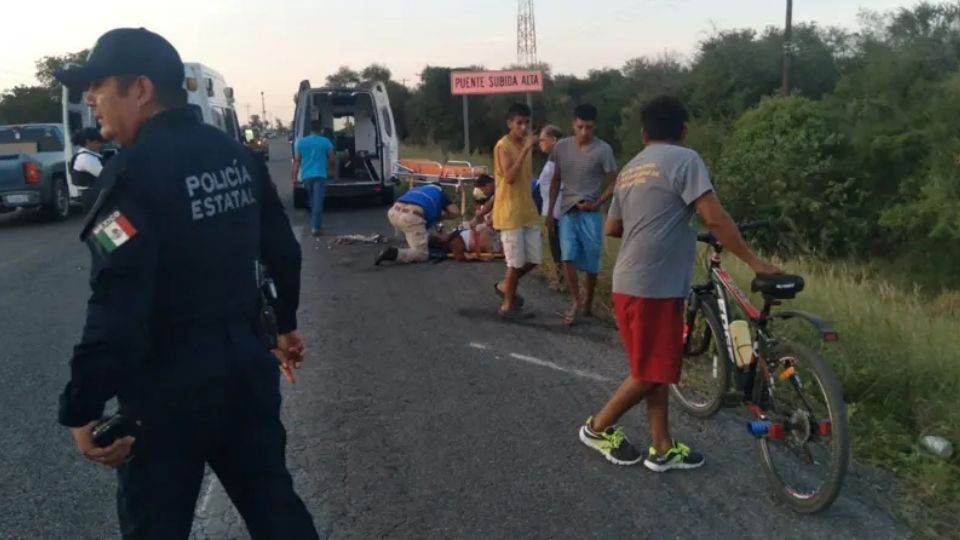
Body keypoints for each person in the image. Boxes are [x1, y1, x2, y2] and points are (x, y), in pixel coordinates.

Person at [54, 28, 319, 539]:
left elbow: (116, 302)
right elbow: (283, 251)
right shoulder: (237, 156)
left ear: (142, 89)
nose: (90, 99)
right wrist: (284, 329)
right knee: (273, 505)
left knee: (156, 524)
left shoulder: (131, 177)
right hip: (245, 368)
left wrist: (82, 405)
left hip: (167, 389)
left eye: (100, 84)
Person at [578, 95, 781, 471]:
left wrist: (656, 225)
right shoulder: (686, 159)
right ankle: (597, 427)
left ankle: (663, 446)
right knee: (649, 373)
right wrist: (756, 263)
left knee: (656, 367)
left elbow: (612, 227)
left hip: (632, 281)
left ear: (643, 133)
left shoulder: (631, 168)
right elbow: (714, 218)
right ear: (684, 131)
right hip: (653, 287)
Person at [546, 103, 618, 325]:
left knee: (591, 259)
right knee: (568, 255)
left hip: (591, 211)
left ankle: (588, 302)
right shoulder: (562, 147)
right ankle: (576, 301)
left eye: (589, 128)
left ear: (594, 127)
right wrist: (550, 211)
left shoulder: (603, 150)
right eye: (580, 127)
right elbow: (556, 178)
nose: (584, 132)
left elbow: (614, 181)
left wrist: (597, 202)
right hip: (568, 209)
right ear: (573, 125)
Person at [492, 102, 542, 319]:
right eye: (519, 123)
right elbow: (510, 177)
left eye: (526, 123)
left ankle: (505, 286)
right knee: (515, 262)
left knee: (534, 258)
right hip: (510, 210)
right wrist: (525, 150)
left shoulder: (526, 144)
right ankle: (507, 306)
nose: (523, 127)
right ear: (509, 123)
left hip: (527, 208)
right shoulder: (503, 146)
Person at [375, 183, 460, 265]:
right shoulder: (439, 193)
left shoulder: (416, 189)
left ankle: (413, 241)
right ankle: (394, 253)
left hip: (393, 213)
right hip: (411, 218)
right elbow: (455, 212)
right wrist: (442, 216)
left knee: (411, 229)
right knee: (421, 254)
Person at [292, 119, 335, 236]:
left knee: (312, 200)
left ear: (310, 130)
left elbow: (296, 161)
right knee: (318, 201)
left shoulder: (301, 142)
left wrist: (294, 178)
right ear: (320, 130)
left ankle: (315, 222)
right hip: (320, 175)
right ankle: (316, 227)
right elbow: (332, 160)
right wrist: (332, 172)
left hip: (306, 177)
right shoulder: (326, 142)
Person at [534, 125, 564, 283]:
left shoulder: (559, 159)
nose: (540, 144)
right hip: (551, 209)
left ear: (553, 140)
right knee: (554, 246)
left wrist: (551, 212)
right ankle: (560, 278)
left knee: (558, 247)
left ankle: (562, 280)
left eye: (542, 140)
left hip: (557, 210)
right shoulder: (552, 158)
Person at [70, 127, 107, 213]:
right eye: (97, 142)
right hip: (92, 195)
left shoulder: (92, 155)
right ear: (88, 142)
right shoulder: (85, 158)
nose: (100, 145)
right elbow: (103, 174)